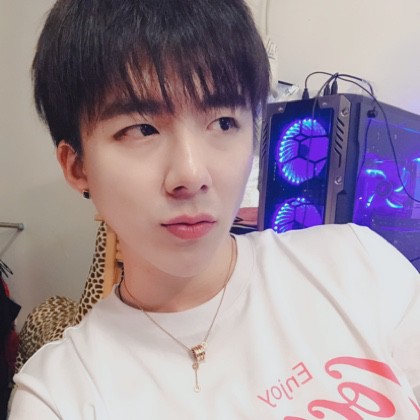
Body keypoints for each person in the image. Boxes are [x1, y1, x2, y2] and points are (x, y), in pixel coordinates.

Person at [9, 0, 420, 418]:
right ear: (77, 167)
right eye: (142, 129)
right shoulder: (59, 396)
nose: (191, 174)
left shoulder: (358, 266)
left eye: (223, 122)